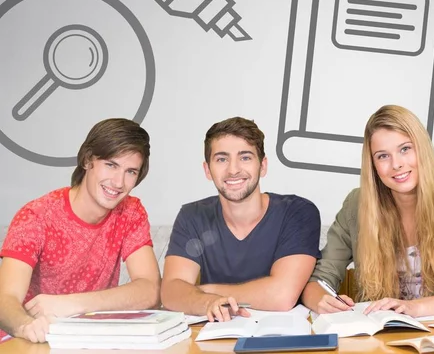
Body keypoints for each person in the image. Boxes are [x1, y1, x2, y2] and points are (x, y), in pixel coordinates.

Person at [301, 105, 434, 316]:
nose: (396, 164)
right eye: (383, 156)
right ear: (373, 165)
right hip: (380, 337)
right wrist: (322, 300)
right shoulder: (356, 204)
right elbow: (319, 281)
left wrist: (416, 307)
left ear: (421, 148)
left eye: (405, 149)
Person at [0, 118, 160, 343]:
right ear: (87, 160)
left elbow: (150, 290)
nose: (118, 182)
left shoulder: (131, 211)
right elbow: (5, 299)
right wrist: (27, 326)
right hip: (27, 339)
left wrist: (71, 304)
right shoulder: (36, 216)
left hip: (86, 338)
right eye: (111, 165)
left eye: (131, 172)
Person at [161, 117, 321, 322]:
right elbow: (172, 292)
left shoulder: (298, 212)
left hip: (282, 337)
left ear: (263, 166)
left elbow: (282, 295)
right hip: (216, 334)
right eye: (221, 159)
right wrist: (206, 302)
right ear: (207, 170)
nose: (233, 169)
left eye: (245, 158)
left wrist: (204, 292)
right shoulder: (192, 215)